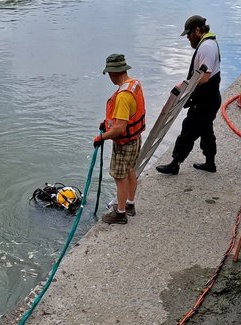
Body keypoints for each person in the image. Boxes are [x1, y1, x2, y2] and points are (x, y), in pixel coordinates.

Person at [156, 15, 221, 175]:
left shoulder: (206, 47)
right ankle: (210, 163)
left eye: (189, 34)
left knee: (188, 130)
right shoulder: (209, 43)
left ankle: (175, 164)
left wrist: (185, 86)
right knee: (206, 131)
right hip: (210, 99)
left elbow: (204, 77)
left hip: (205, 101)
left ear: (197, 30)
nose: (188, 38)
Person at [94, 53, 146, 225]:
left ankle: (121, 213)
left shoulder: (123, 96)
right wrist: (107, 123)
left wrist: (102, 137)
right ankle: (130, 204)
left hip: (125, 143)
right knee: (130, 170)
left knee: (120, 177)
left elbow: (120, 128)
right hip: (136, 139)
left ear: (113, 72)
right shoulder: (134, 84)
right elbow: (123, 118)